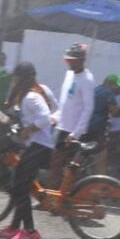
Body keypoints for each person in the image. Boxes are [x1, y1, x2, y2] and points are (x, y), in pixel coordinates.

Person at [0, 62, 57, 239]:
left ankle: (30, 231)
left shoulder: (31, 96)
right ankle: (16, 227)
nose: (13, 81)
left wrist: (29, 129)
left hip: (38, 145)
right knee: (21, 186)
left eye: (15, 77)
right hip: (40, 144)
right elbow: (56, 111)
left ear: (21, 78)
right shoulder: (41, 90)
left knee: (20, 187)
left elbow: (46, 117)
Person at [48, 42, 95, 186]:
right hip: (63, 127)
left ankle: (65, 198)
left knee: (68, 167)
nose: (69, 63)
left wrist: (76, 133)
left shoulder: (87, 79)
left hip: (74, 131)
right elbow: (65, 103)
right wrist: (55, 117)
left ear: (81, 60)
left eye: (73, 60)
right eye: (68, 60)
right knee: (55, 163)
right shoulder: (68, 75)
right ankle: (52, 196)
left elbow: (88, 108)